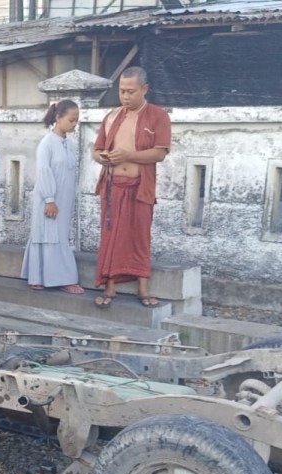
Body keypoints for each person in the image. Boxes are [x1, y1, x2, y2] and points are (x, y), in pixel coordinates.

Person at [92, 66, 172, 308]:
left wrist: (128, 155)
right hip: (113, 187)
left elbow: (159, 153)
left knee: (140, 236)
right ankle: (110, 287)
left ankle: (143, 289)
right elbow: (96, 150)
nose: (125, 96)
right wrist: (103, 158)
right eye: (122, 91)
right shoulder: (112, 117)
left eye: (131, 91)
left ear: (144, 89)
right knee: (111, 237)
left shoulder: (158, 116)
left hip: (140, 187)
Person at [21, 99, 84, 295]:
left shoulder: (70, 145)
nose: (74, 124)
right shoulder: (46, 143)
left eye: (76, 121)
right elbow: (44, 171)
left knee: (59, 235)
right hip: (49, 199)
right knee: (46, 234)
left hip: (64, 199)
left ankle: (46, 276)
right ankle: (50, 278)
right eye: (71, 120)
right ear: (58, 117)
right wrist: (49, 200)